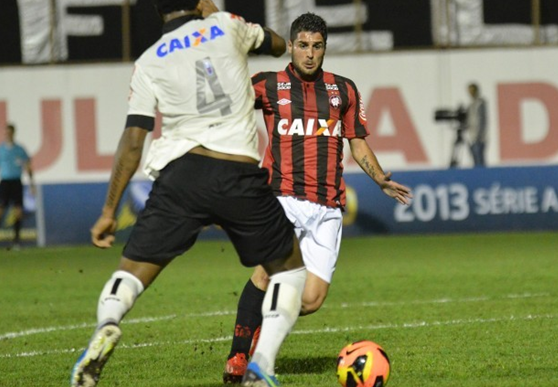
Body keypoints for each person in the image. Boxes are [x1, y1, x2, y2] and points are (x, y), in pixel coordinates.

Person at [70, 1, 307, 386]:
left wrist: (109, 209)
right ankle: (261, 365)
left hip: (180, 175)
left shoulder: (148, 62)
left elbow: (133, 141)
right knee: (290, 268)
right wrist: (215, 18)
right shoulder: (227, 25)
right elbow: (279, 45)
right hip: (236, 171)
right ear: (197, 2)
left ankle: (108, 323)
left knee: (131, 271)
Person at [223, 12, 413, 384]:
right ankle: (238, 357)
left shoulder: (343, 89)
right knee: (268, 274)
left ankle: (260, 329)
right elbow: (230, 109)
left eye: (317, 46)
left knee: (309, 299)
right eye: (303, 46)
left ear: (325, 48)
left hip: (327, 207)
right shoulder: (267, 84)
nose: (310, 54)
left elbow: (357, 143)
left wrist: (379, 180)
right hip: (282, 198)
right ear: (290, 46)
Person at [0, 123, 35, 250]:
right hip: (5, 182)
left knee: (18, 211)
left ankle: (16, 242)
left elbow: (28, 167)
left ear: (13, 133)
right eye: (5, 132)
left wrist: (32, 184)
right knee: (1, 210)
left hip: (16, 182)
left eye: (9, 132)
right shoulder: (1, 149)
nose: (7, 134)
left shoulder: (19, 149)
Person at [465, 82, 487, 167]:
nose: (471, 93)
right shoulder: (471, 104)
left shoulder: (480, 103)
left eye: (473, 90)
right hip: (471, 135)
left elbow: (481, 120)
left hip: (479, 137)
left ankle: (482, 177)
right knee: (474, 158)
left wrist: (479, 135)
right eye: (470, 91)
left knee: (479, 159)